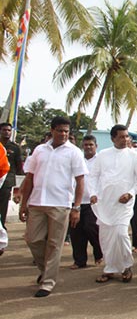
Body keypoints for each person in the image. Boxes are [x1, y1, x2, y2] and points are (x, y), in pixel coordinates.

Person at [19, 116, 88, 297]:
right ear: (52, 130)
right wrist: (23, 204)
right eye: (60, 130)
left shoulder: (74, 152)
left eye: (66, 131)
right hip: (36, 202)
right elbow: (30, 178)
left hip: (60, 204)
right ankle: (45, 270)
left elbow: (80, 181)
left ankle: (48, 282)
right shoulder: (39, 150)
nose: (64, 134)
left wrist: (77, 207)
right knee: (33, 239)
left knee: (54, 244)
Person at [88, 125, 137, 284]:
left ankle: (127, 265)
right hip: (105, 203)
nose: (125, 140)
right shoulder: (103, 155)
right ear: (113, 138)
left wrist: (131, 193)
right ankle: (110, 269)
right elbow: (93, 176)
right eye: (121, 137)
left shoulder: (134, 156)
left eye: (127, 136)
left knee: (121, 234)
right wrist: (93, 193)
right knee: (106, 238)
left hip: (124, 204)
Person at [69, 135, 103, 269]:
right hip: (76, 201)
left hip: (93, 202)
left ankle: (99, 254)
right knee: (76, 232)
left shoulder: (101, 160)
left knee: (91, 228)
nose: (88, 147)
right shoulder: (77, 160)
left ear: (96, 146)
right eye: (86, 145)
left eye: (91, 145)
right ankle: (79, 261)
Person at [0, 122, 23, 229]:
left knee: (3, 205)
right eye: (4, 130)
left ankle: (1, 226)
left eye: (9, 130)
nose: (7, 132)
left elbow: (19, 165)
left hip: (7, 181)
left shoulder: (15, 148)